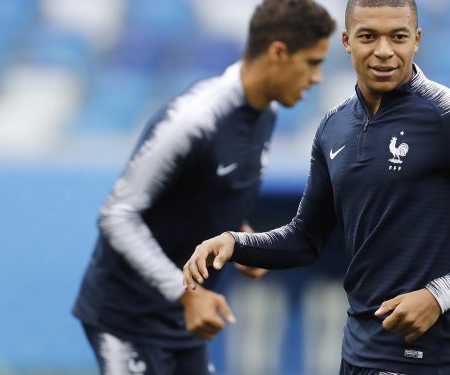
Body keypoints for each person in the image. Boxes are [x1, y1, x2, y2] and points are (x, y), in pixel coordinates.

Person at [183, 0, 450, 374]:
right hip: (358, 349)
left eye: (398, 37)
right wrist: (235, 243)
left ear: (417, 40)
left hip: (424, 354)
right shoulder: (332, 127)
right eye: (369, 36)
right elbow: (305, 238)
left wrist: (439, 297)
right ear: (346, 41)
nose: (384, 51)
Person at [72, 1, 335, 373]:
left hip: (182, 318)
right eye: (312, 62)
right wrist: (184, 293)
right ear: (278, 52)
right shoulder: (192, 120)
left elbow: (208, 199)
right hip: (126, 318)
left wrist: (243, 242)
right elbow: (117, 215)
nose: (317, 77)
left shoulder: (267, 114)